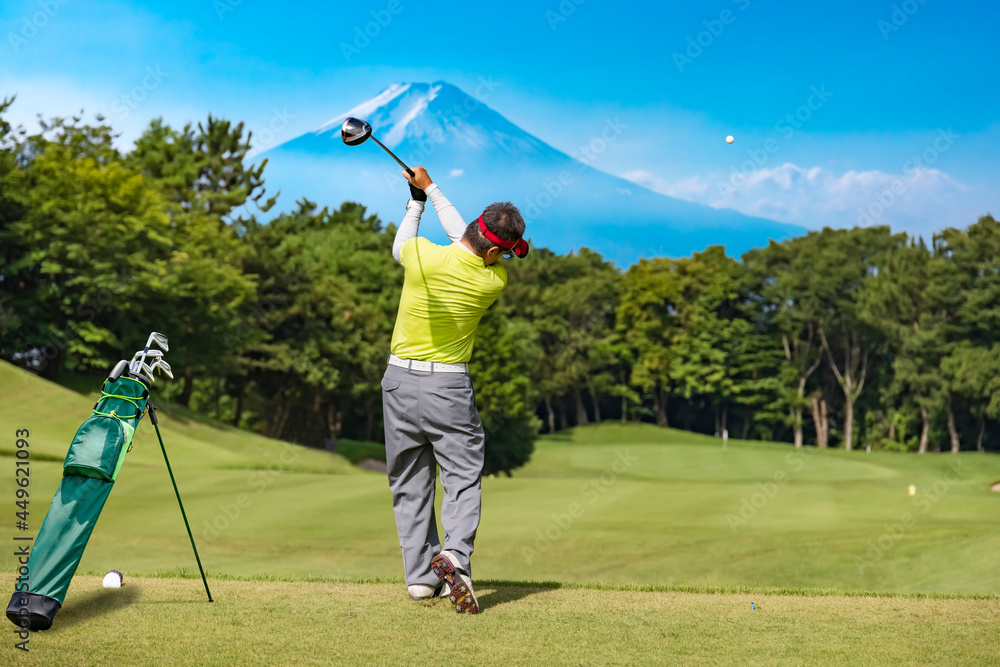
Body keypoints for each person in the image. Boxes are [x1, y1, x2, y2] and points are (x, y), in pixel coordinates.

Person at [381, 166, 528, 615]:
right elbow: (470, 242)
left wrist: (418, 200)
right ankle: (456, 559)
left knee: (409, 479)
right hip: (449, 386)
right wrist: (431, 191)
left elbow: (406, 243)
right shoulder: (492, 280)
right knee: (462, 476)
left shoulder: (422, 257)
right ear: (496, 254)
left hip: (399, 381)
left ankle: (421, 580)